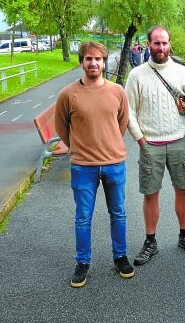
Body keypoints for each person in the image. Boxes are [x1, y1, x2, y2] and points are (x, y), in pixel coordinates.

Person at [54, 41, 134, 288]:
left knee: (118, 213)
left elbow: (122, 122)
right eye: (89, 59)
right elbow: (62, 127)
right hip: (83, 166)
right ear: (82, 62)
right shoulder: (68, 94)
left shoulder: (117, 91)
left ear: (104, 61)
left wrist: (109, 143)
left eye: (98, 59)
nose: (93, 63)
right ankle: (82, 262)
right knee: (83, 217)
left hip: (114, 164)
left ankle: (120, 257)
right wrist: (78, 147)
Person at [124, 26, 185, 266]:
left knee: (183, 189)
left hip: (178, 141)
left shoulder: (181, 72)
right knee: (151, 193)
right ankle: (150, 241)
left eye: (164, 43)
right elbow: (129, 111)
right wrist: (140, 139)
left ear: (170, 45)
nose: (161, 48)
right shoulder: (137, 75)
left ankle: (184, 234)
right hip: (151, 144)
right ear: (148, 45)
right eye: (156, 43)